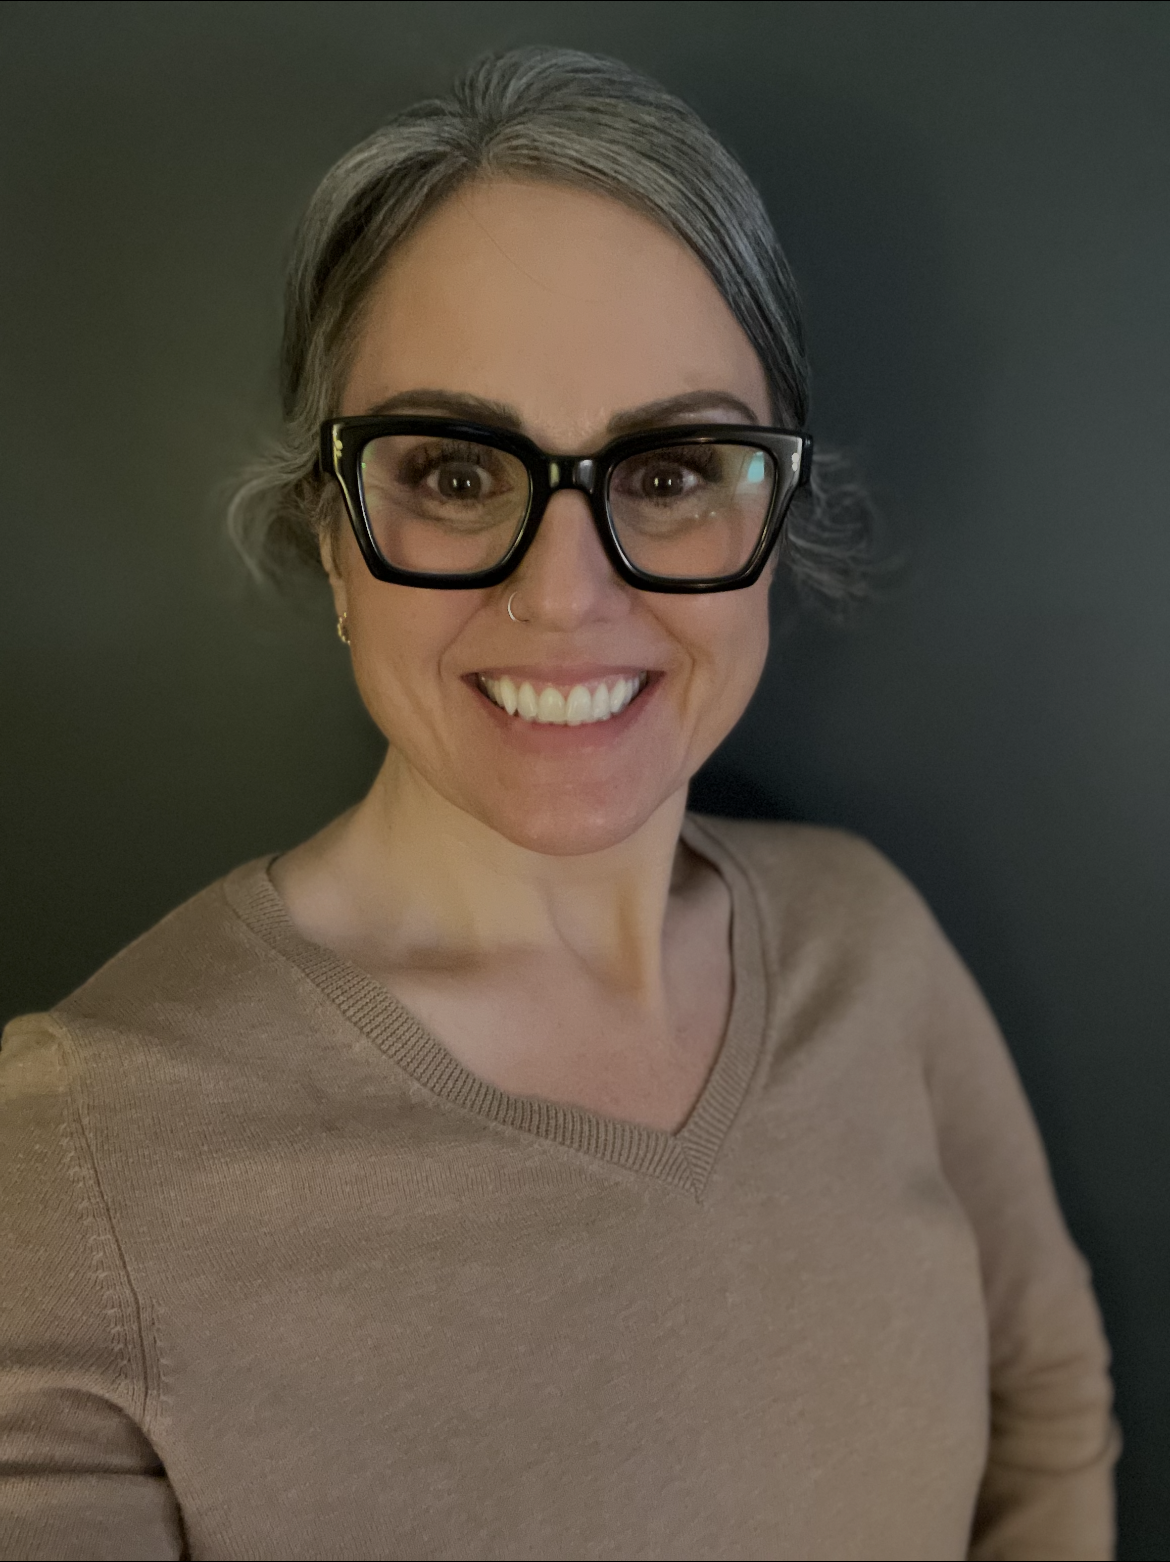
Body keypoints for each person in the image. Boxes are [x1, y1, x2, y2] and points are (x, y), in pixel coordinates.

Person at [0, 46, 1116, 1562]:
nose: (562, 593)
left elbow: (1045, 1398)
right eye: (456, 473)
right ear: (332, 535)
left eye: (668, 469)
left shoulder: (871, 939)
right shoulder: (80, 1160)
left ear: (772, 521)